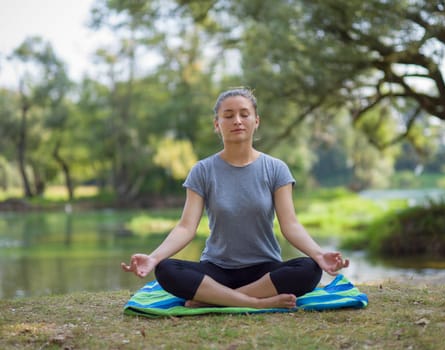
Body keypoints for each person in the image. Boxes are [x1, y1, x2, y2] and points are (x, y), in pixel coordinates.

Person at [121, 88, 349, 309]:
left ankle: (214, 300)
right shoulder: (202, 171)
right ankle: (255, 302)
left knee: (310, 269)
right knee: (166, 270)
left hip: (264, 271)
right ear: (217, 125)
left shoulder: (276, 169)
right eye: (228, 116)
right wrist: (153, 258)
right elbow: (185, 228)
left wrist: (319, 255)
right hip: (217, 270)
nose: (237, 120)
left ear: (256, 121)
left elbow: (290, 225)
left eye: (244, 114)